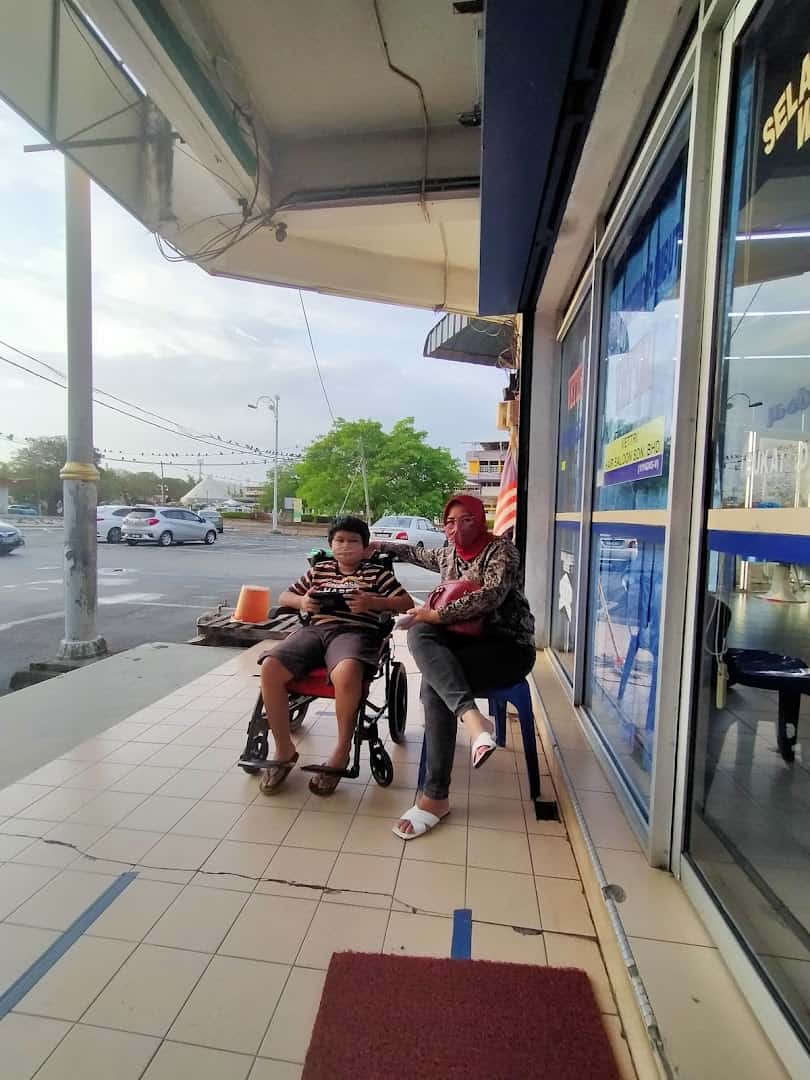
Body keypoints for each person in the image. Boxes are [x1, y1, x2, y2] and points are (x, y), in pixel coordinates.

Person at [375, 495, 535, 840]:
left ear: (481, 521)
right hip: (463, 645)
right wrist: (377, 545)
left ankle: (435, 796)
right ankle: (473, 719)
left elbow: (490, 595)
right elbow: (415, 553)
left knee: (434, 683)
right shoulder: (447, 554)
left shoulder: (502, 552)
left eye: (466, 520)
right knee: (420, 634)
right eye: (449, 521)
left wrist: (435, 614)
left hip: (507, 648)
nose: (457, 528)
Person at [257, 515, 413, 796]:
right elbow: (285, 597)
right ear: (330, 544)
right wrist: (303, 601)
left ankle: (341, 752)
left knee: (348, 671)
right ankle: (283, 749)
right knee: (270, 666)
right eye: (339, 540)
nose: (345, 546)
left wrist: (373, 602)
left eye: (353, 541)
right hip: (316, 631)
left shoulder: (377, 574)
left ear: (366, 548)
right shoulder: (320, 570)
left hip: (354, 634)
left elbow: (406, 602)